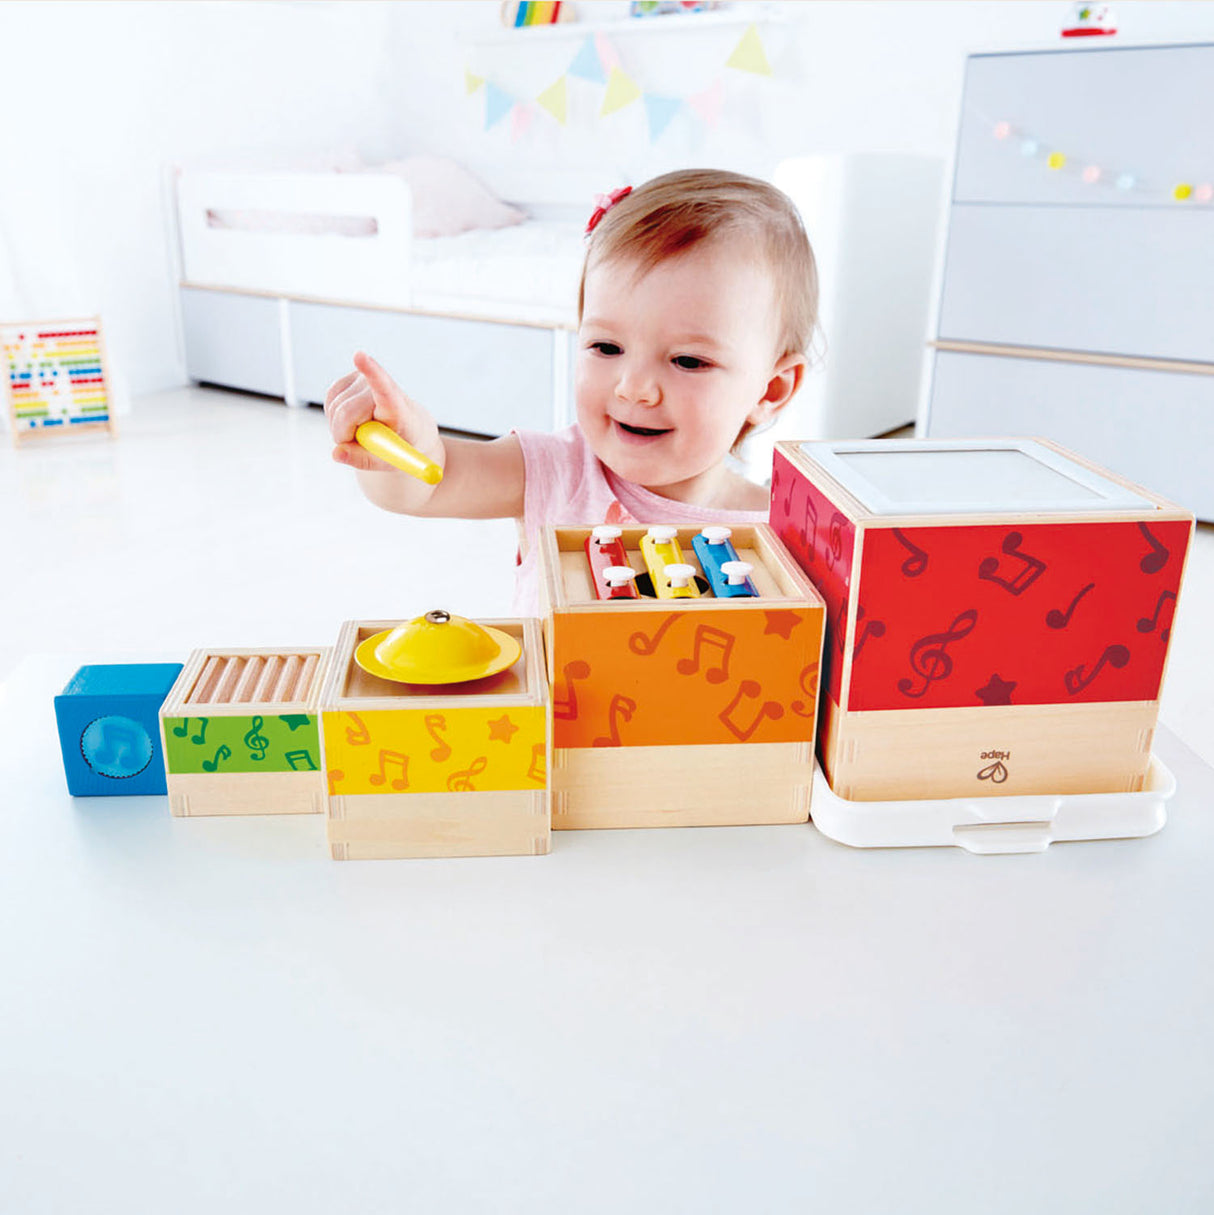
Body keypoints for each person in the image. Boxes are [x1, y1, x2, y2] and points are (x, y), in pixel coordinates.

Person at [323, 168, 819, 613]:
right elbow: (430, 484)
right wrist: (403, 448)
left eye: (687, 360)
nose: (634, 388)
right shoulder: (555, 471)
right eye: (607, 347)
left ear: (770, 390)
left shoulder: (785, 530)